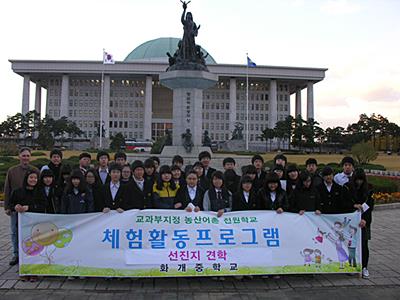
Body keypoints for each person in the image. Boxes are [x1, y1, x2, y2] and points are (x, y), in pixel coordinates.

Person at [4, 147, 38, 266]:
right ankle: (16, 254)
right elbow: (7, 189)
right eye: (23, 155)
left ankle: (30, 253)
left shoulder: (35, 170)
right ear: (19, 156)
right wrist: (7, 206)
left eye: (28, 155)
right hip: (16, 207)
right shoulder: (12, 171)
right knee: (15, 231)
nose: (26, 158)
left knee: (30, 232)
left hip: (30, 208)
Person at [10, 170, 41, 281]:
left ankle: (34, 271)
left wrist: (30, 207)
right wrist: (16, 207)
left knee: (36, 248)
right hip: (22, 225)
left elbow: (42, 205)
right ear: (26, 179)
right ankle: (24, 271)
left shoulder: (39, 192)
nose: (33, 180)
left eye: (35, 178)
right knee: (23, 247)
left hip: (36, 225)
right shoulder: (17, 191)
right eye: (31, 178)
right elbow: (11, 204)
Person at [345, 168, 374, 278]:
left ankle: (364, 267)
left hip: (364, 221)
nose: (359, 182)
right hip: (351, 221)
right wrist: (354, 206)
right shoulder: (347, 187)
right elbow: (344, 203)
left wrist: (365, 219)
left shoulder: (369, 189)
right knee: (351, 245)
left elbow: (370, 206)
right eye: (357, 180)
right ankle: (353, 265)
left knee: (364, 244)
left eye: (361, 180)